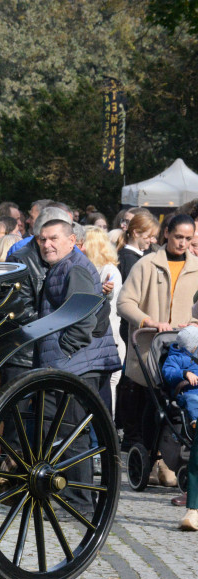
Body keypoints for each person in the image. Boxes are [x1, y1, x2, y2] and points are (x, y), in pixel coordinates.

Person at [8, 207, 121, 510]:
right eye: (43, 240)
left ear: (72, 240)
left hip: (77, 365)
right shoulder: (61, 267)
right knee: (56, 432)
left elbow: (85, 320)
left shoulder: (76, 268)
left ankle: (79, 502)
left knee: (72, 435)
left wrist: (63, 351)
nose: (47, 245)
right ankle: (61, 494)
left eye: (54, 239)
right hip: (65, 364)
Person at [118, 213, 198, 483]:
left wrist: (194, 323)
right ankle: (153, 460)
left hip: (186, 350)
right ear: (166, 233)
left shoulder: (197, 267)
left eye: (188, 238)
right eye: (178, 237)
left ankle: (171, 460)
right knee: (151, 406)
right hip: (150, 349)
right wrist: (148, 321)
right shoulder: (147, 264)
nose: (183, 243)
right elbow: (125, 302)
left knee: (179, 406)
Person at [83, 227, 124, 409]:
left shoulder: (109, 270)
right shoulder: (90, 269)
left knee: (109, 386)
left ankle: (108, 430)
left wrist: (104, 291)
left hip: (110, 337)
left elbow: (111, 302)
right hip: (99, 338)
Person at [161, 326, 198, 530]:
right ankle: (195, 421)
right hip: (188, 392)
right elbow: (168, 373)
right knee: (193, 402)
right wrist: (185, 373)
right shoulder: (177, 356)